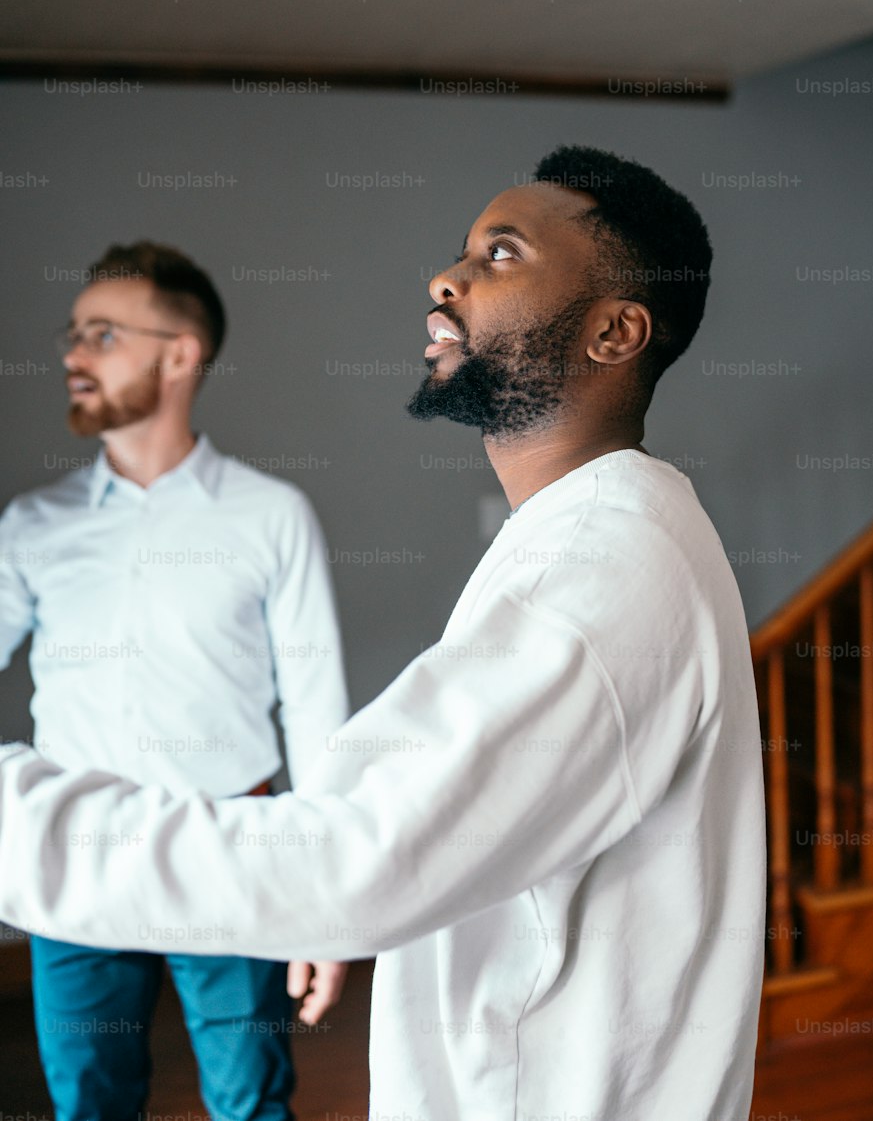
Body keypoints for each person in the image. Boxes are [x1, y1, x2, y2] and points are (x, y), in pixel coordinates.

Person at [0, 148, 767, 1120]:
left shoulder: (602, 566)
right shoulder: (596, 534)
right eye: (461, 252)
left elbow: (352, 857)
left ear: (614, 331)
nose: (445, 278)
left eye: (501, 252)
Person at [0, 242, 350, 1121]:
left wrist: (329, 906)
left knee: (251, 1103)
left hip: (233, 849)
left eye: (103, 335)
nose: (74, 357)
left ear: (180, 353)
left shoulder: (273, 517)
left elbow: (316, 712)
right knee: (91, 1105)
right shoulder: (31, 527)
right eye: (73, 335)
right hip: (75, 860)